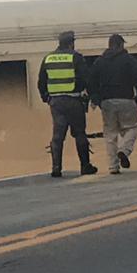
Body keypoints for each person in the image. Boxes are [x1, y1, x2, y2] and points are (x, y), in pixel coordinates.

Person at [37, 30, 98, 178]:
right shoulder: (76, 57)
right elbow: (86, 78)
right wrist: (89, 95)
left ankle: (56, 168)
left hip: (56, 102)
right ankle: (85, 166)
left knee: (58, 135)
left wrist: (47, 98)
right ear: (72, 43)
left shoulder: (48, 58)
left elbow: (41, 82)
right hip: (73, 100)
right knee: (79, 133)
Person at [88, 34, 137, 174]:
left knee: (110, 134)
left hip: (107, 101)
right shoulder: (129, 60)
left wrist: (96, 99)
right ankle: (124, 150)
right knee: (132, 128)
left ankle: (113, 167)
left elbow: (91, 81)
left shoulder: (99, 61)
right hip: (126, 99)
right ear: (120, 45)